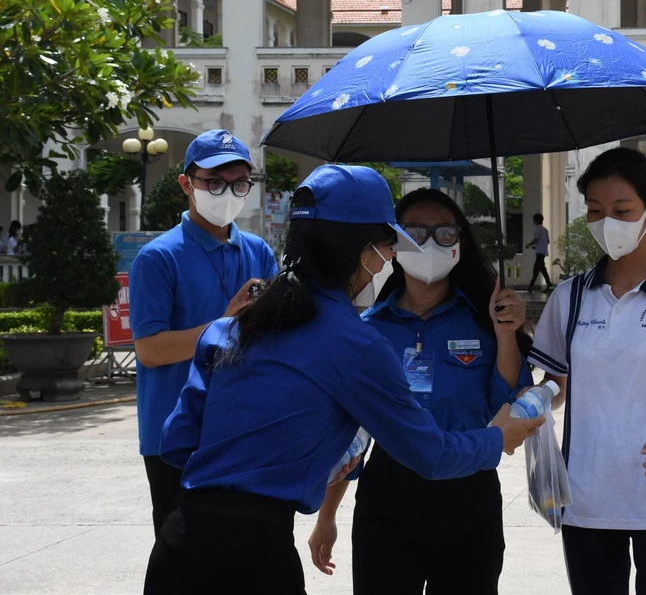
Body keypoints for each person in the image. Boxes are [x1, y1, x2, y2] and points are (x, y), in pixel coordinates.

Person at [143, 165, 543, 595]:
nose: (390, 259)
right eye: (389, 245)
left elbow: (178, 441)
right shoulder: (358, 343)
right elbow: (431, 454)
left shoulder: (234, 327)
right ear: (364, 250)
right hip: (256, 555)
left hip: (180, 543)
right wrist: (497, 438)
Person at [308, 188, 534, 595]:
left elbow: (506, 405)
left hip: (469, 488)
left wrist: (505, 335)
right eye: (414, 233)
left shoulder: (486, 319)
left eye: (444, 233)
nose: (430, 243)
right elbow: (350, 433)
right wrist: (328, 514)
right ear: (393, 243)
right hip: (389, 493)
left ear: (460, 244)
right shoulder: (368, 329)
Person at [528, 148, 646, 595]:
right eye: (595, 211)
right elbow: (556, 388)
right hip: (586, 498)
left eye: (621, 210)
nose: (606, 223)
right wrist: (530, 398)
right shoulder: (570, 296)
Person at [130, 129, 279, 538]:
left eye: (239, 183)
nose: (227, 192)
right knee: (182, 561)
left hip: (244, 428)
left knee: (246, 554)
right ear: (186, 184)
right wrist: (226, 325)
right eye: (213, 182)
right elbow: (150, 350)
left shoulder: (258, 252)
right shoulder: (159, 257)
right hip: (176, 438)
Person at [526, 212, 553, 293]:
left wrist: (528, 245)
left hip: (539, 252)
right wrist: (538, 246)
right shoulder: (545, 230)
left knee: (538, 269)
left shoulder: (537, 229)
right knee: (540, 269)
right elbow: (547, 241)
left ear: (535, 221)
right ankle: (547, 285)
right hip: (543, 251)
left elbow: (536, 240)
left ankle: (531, 287)